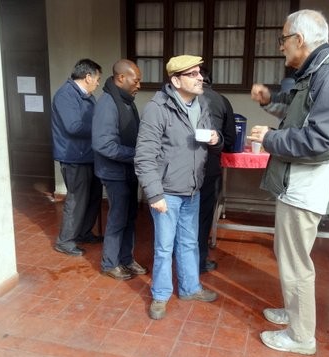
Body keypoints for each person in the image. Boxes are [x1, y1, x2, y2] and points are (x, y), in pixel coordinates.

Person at [248, 9, 329, 355]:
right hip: (298, 184)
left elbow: (321, 139)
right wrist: (270, 101)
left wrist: (270, 140)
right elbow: (297, 110)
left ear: (298, 40)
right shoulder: (316, 70)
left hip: (305, 188)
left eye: (283, 39)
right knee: (290, 257)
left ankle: (301, 337)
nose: (280, 46)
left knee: (296, 263)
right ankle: (292, 311)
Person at [135, 55, 223, 320]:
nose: (200, 78)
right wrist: (154, 194)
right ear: (176, 81)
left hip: (192, 189)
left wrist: (216, 139)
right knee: (164, 247)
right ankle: (160, 295)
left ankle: (189, 287)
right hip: (168, 192)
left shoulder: (202, 103)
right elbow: (144, 155)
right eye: (193, 74)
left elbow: (210, 142)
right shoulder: (157, 108)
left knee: (189, 242)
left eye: (199, 73)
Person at [92, 59, 148, 280]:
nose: (139, 84)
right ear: (121, 78)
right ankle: (109, 263)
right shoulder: (107, 103)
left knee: (130, 216)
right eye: (137, 79)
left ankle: (126, 258)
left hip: (128, 172)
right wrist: (136, 155)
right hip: (114, 173)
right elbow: (103, 144)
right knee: (117, 218)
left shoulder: (126, 100)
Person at [51, 58, 104, 256]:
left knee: (93, 196)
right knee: (77, 199)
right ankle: (65, 241)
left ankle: (83, 232)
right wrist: (101, 129)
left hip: (89, 155)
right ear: (88, 77)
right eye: (97, 78)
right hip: (73, 156)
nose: (98, 83)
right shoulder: (65, 95)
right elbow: (73, 127)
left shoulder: (88, 96)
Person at [198, 66, 236, 273]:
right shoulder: (221, 100)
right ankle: (199, 262)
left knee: (179, 216)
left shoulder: (174, 99)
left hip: (178, 171)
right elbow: (230, 139)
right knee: (203, 217)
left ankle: (178, 259)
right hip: (208, 167)